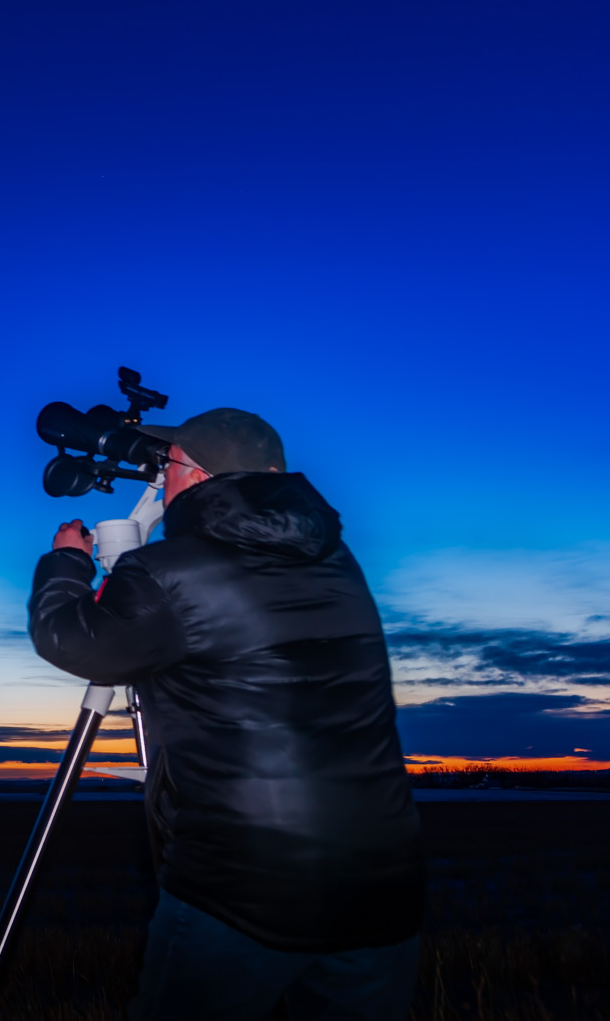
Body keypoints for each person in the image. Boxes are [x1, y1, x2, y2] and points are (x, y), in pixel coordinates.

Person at [29, 408, 423, 1021]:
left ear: (193, 474)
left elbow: (75, 643)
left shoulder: (169, 571)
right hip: (382, 885)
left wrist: (68, 563)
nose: (161, 479)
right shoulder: (338, 563)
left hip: (245, 890)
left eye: (170, 465)